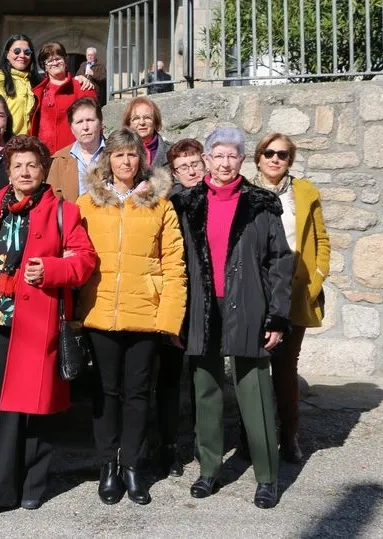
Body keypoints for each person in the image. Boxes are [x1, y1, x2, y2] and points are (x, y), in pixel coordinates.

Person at [0, 135, 96, 520]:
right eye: (18, 165)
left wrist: (52, 269)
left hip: (37, 322)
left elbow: (85, 260)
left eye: (32, 165)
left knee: (34, 406)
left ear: (43, 171)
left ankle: (31, 485)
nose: (24, 172)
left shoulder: (63, 212)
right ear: (8, 169)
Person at [170, 127, 294, 509]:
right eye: (218, 155)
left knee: (254, 391)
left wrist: (277, 317)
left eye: (232, 156)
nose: (225, 163)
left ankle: (268, 476)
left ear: (242, 160)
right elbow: (174, 261)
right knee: (206, 391)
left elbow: (280, 262)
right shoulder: (187, 203)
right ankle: (208, 470)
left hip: (251, 307)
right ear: (207, 159)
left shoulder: (261, 203)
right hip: (202, 309)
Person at [74, 128, 187, 506]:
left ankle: (133, 466)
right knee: (106, 393)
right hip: (100, 311)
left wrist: (169, 319)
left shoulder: (160, 204)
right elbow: (75, 255)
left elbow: (174, 264)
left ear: (142, 160)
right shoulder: (87, 203)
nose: (126, 162)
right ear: (108, 160)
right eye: (119, 155)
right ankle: (108, 466)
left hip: (146, 314)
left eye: (132, 155)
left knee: (139, 394)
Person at [251, 133, 329, 464]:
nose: (275, 159)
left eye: (282, 155)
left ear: (290, 160)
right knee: (251, 367)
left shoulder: (305, 193)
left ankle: (289, 435)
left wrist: (319, 276)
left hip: (295, 288)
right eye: (268, 153)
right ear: (257, 157)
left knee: (285, 368)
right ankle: (252, 434)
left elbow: (321, 239)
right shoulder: (245, 192)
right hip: (254, 289)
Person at [153, 136, 206, 479]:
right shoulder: (168, 203)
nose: (190, 170)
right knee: (169, 381)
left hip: (207, 301)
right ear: (173, 171)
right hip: (176, 298)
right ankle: (168, 447)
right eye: (182, 166)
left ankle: (206, 444)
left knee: (206, 377)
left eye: (194, 164)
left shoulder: (219, 199)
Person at [30, 41, 98, 154]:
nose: (55, 63)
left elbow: (95, 123)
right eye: (50, 61)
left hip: (74, 154)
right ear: (45, 67)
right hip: (44, 155)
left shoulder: (82, 88)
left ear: (65, 62)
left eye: (58, 59)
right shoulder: (38, 91)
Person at [46, 97, 105, 202]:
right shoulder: (60, 159)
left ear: (100, 123)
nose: (85, 127)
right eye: (79, 122)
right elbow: (53, 200)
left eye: (90, 120)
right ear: (72, 128)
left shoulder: (115, 153)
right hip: (72, 217)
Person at [0, 34, 42, 135]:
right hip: (8, 142)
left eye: (27, 52)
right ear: (7, 54)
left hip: (31, 143)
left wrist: (79, 78)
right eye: (17, 51)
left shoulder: (36, 81)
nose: (22, 55)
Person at [123, 96, 172, 170]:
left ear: (155, 121)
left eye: (147, 118)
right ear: (128, 124)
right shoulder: (118, 151)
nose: (142, 123)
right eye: (136, 118)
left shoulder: (171, 151)